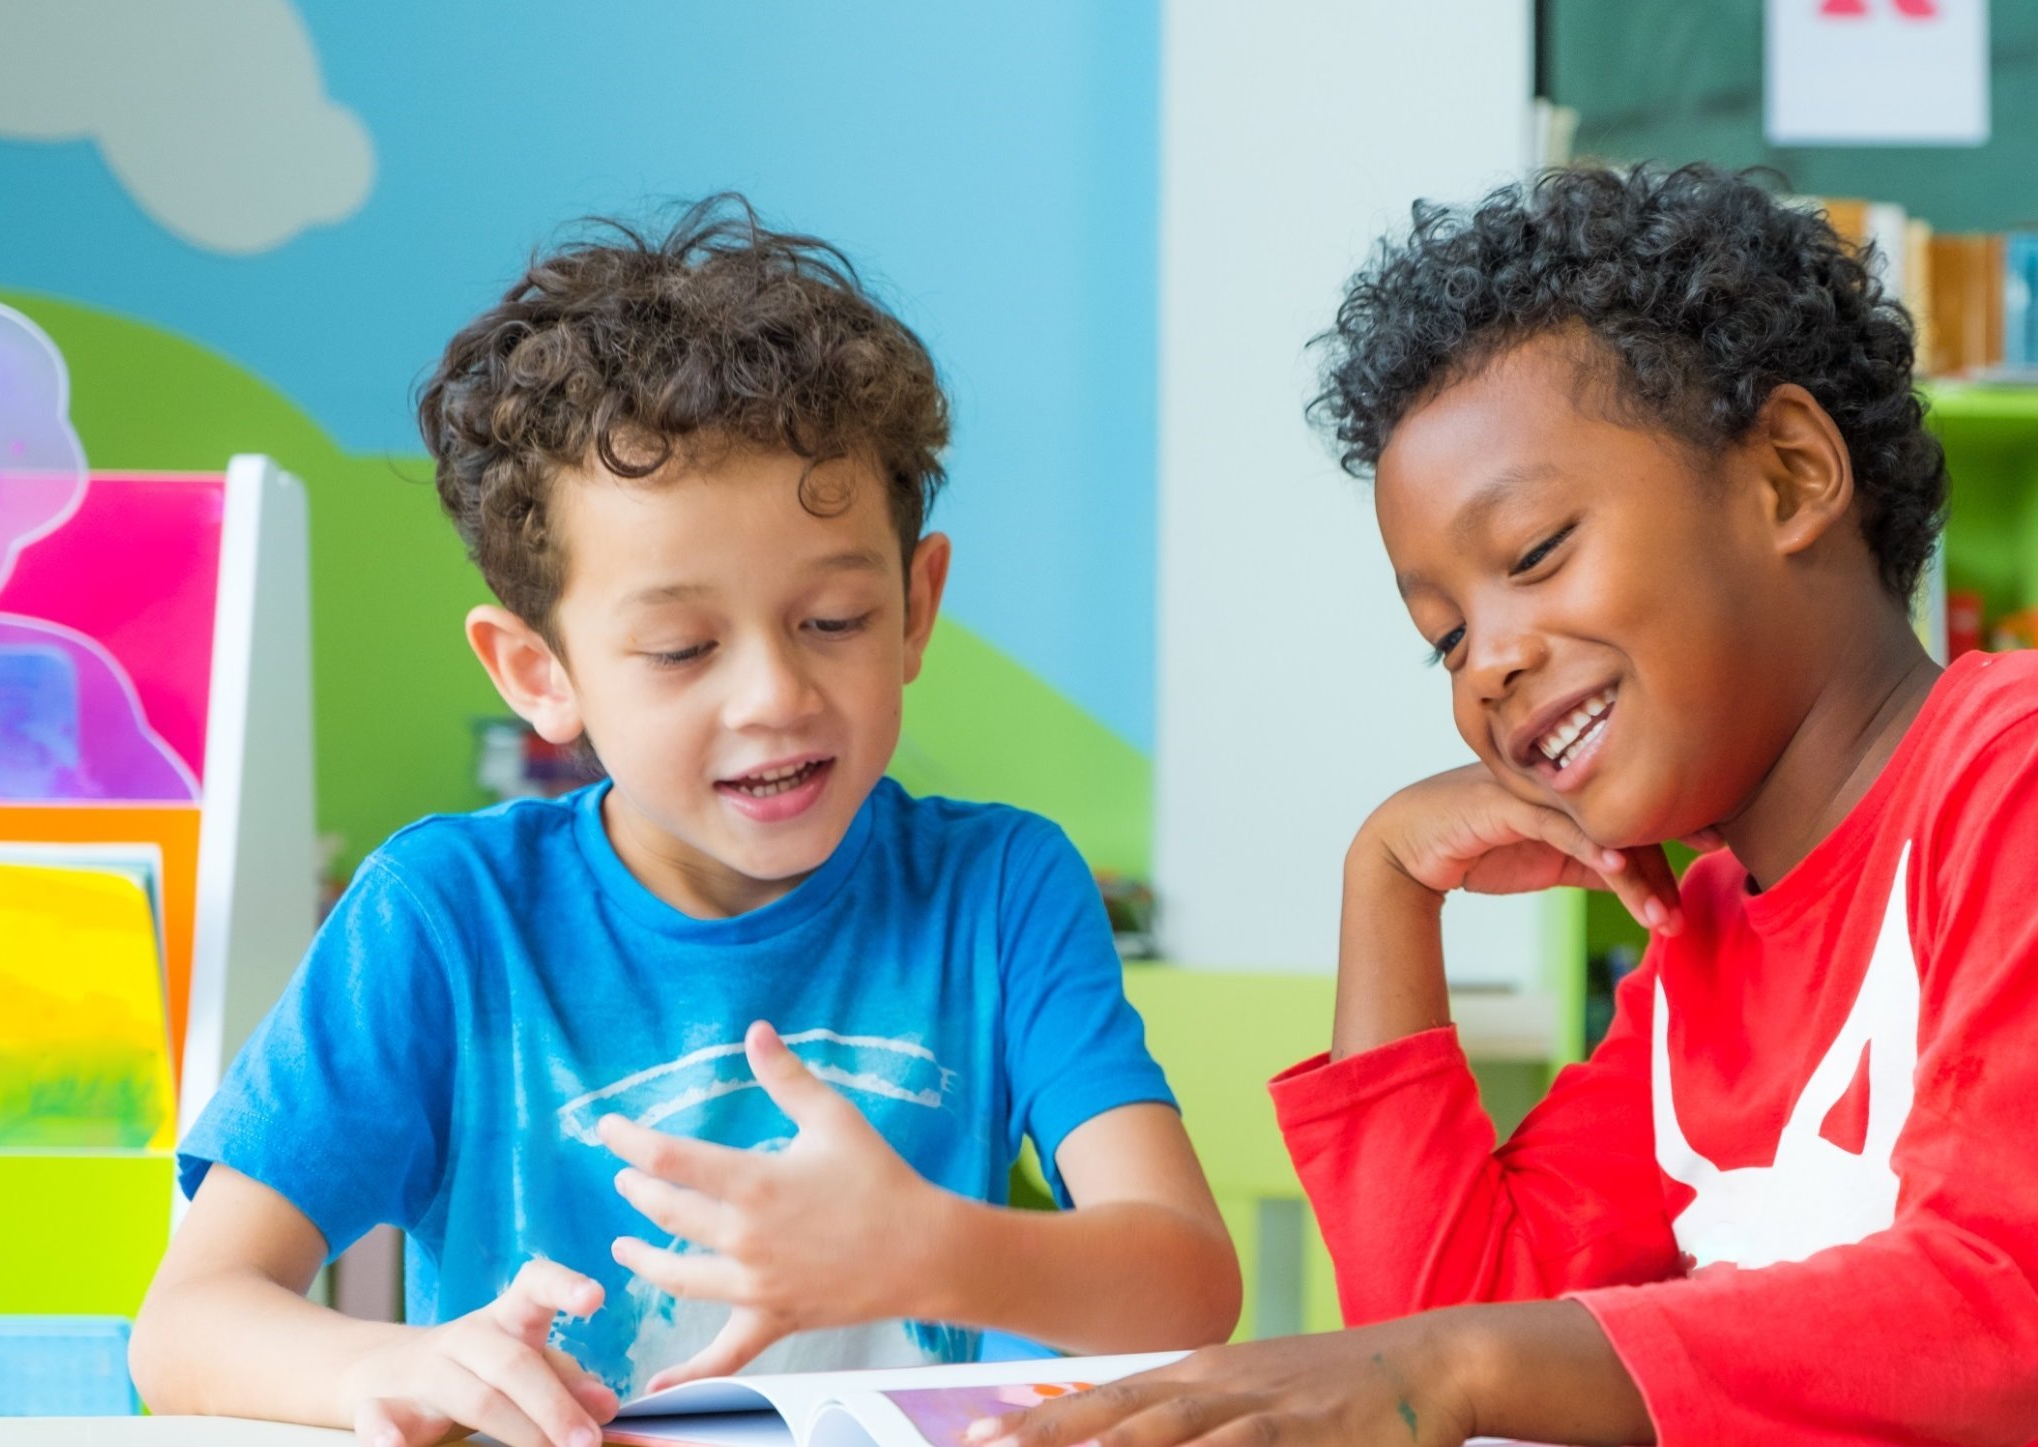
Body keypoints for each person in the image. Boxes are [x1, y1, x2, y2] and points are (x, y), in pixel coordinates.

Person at [977, 163, 2038, 1446]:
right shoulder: (1706, 939)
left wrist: (1438, 1367)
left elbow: (1991, 1309)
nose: (1486, 657)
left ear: (1784, 474)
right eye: (1439, 634)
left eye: (1540, 547)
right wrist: (1385, 882)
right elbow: (1450, 1316)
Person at [129, 198, 1239, 1447]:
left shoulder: (998, 889)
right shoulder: (444, 915)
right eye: (680, 647)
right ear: (538, 672)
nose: (773, 694)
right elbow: (187, 1322)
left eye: (832, 620)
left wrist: (932, 1251)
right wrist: (401, 1364)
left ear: (917, 605)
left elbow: (1186, 1289)